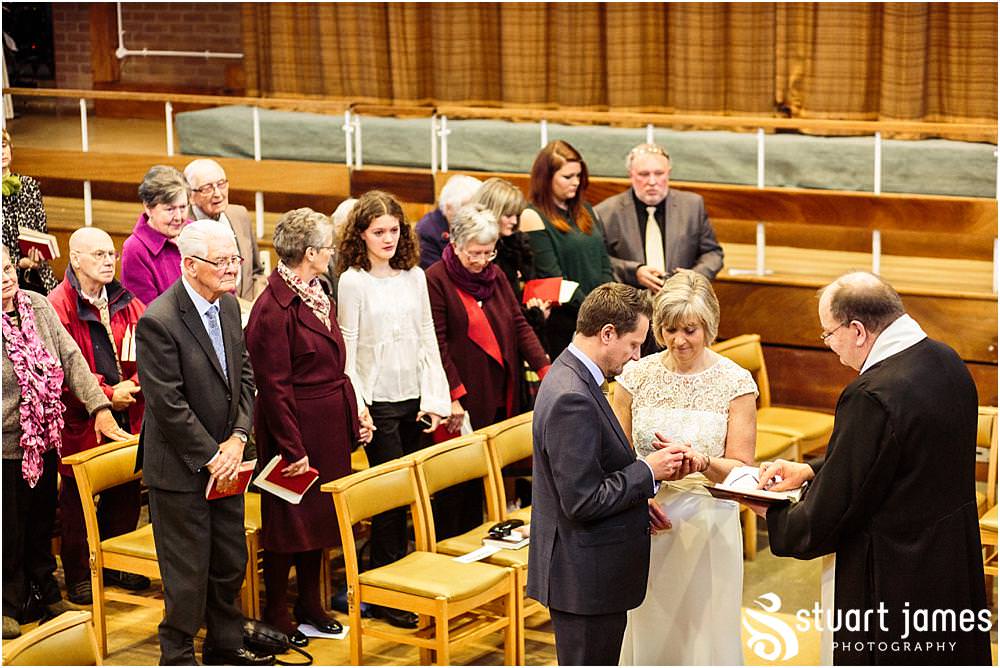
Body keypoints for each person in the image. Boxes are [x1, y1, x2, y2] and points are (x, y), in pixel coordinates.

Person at [751, 272, 991, 665]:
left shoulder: (872, 394)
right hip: (949, 556)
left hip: (896, 570)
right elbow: (900, 456)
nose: (829, 345)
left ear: (858, 330)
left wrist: (775, 513)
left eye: (829, 334)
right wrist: (811, 470)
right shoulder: (945, 359)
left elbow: (833, 512)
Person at [526, 282, 695, 666]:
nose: (636, 356)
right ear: (606, 333)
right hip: (585, 577)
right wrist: (648, 471)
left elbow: (590, 473)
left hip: (587, 572)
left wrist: (635, 501)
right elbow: (582, 499)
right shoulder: (572, 396)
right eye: (633, 344)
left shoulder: (571, 375)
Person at [135, 220, 272, 666]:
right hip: (182, 470)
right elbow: (168, 404)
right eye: (222, 261)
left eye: (235, 259)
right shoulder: (158, 320)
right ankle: (176, 654)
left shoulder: (228, 306)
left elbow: (245, 377)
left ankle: (224, 644)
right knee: (187, 572)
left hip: (229, 460)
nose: (232, 268)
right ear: (190, 265)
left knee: (230, 560)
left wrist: (238, 438)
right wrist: (212, 455)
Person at [612, 270, 756, 665]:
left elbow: (742, 468)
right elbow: (615, 456)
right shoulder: (635, 377)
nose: (679, 340)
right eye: (670, 329)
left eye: (690, 330)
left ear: (709, 327)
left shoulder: (735, 382)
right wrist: (635, 499)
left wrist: (704, 462)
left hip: (708, 521)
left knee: (705, 633)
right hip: (647, 518)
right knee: (649, 628)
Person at [246, 208, 374, 646]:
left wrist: (354, 412)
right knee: (288, 520)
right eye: (327, 248)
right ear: (310, 252)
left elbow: (334, 366)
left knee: (319, 519)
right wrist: (292, 447)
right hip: (293, 427)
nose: (332, 254)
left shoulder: (318, 292)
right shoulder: (272, 309)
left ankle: (310, 603)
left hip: (327, 423)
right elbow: (273, 386)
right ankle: (277, 607)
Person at [2, 246, 131, 640]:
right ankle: (6, 605)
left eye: (7, 268)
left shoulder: (38, 306)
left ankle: (46, 593)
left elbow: (73, 360)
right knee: (8, 531)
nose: (6, 278)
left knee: (41, 523)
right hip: (5, 445)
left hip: (43, 438)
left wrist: (100, 407)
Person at [336, 190, 450, 629]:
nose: (388, 239)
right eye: (378, 231)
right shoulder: (353, 281)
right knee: (390, 498)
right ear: (361, 235)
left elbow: (427, 336)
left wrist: (434, 398)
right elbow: (348, 349)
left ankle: (404, 580)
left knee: (414, 493)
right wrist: (359, 405)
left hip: (413, 398)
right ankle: (385, 592)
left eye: (394, 230)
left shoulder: (414, 276)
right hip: (377, 401)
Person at [425, 203, 550, 537]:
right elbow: (436, 343)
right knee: (458, 488)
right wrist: (453, 395)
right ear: (455, 245)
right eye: (474, 253)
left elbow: (519, 324)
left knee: (489, 480)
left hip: (499, 391)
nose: (482, 261)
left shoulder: (495, 276)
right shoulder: (436, 279)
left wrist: (545, 368)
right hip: (463, 398)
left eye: (488, 252)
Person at [48, 228, 148, 606]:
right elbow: (61, 369)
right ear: (75, 258)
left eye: (111, 254)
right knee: (78, 501)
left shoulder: (126, 300)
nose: (109, 261)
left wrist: (133, 386)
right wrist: (107, 395)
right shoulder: (57, 305)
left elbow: (150, 350)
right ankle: (78, 574)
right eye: (99, 255)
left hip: (129, 408)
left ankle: (117, 562)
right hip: (81, 417)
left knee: (126, 492)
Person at [520, 140, 614, 359]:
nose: (576, 182)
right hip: (565, 322)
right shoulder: (532, 216)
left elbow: (604, 262)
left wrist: (608, 303)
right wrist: (593, 312)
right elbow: (552, 277)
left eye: (578, 175)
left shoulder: (586, 210)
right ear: (546, 178)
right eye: (567, 177)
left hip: (599, 316)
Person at [595, 143, 723, 291]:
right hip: (629, 299)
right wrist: (633, 272)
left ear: (668, 173)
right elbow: (598, 260)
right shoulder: (606, 212)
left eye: (659, 173)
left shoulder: (692, 206)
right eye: (644, 174)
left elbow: (713, 253)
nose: (652, 182)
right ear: (631, 175)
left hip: (681, 299)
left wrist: (693, 278)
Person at [184, 158, 267, 301]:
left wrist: (256, 303)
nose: (217, 193)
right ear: (191, 196)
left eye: (221, 184)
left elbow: (257, 272)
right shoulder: (185, 229)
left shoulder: (240, 215)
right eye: (207, 188)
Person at [121, 165, 190, 306]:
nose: (178, 217)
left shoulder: (194, 231)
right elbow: (146, 312)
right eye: (170, 209)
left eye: (183, 207)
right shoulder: (135, 249)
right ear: (148, 207)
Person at [1, 128, 58, 294]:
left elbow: (41, 229)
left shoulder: (29, 185)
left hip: (36, 273)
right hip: (5, 279)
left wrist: (37, 255)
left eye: (3, 145)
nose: (2, 152)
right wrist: (18, 263)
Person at [415, 174, 482, 269]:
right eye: (466, 210)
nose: (474, 217)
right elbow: (435, 274)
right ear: (448, 208)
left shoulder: (477, 226)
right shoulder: (427, 232)